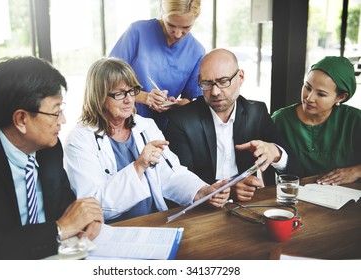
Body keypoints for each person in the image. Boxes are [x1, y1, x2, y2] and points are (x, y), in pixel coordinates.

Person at [64, 57, 230, 223]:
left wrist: (202, 191)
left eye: (132, 91)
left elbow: (172, 174)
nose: (129, 100)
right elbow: (94, 205)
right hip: (113, 229)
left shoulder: (146, 126)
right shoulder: (80, 140)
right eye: (120, 93)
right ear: (98, 96)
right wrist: (138, 167)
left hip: (154, 221)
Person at [0, 56, 103, 260]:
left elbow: (63, 202)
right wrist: (61, 228)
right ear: (21, 119)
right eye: (56, 112)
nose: (63, 120)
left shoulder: (49, 148)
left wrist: (85, 218)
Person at [165, 48, 304, 201]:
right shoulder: (182, 120)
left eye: (223, 81)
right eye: (207, 83)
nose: (215, 92)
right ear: (199, 81)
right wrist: (228, 189)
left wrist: (276, 153)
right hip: (202, 210)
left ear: (240, 77)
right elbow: (180, 181)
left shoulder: (256, 112)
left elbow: (296, 171)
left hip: (249, 205)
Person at [109, 0, 205, 131]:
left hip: (161, 128)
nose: (177, 34)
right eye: (171, 25)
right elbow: (108, 79)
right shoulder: (137, 32)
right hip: (122, 121)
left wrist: (174, 104)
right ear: (163, 12)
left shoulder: (197, 51)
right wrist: (145, 97)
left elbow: (188, 98)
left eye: (186, 28)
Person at [272, 56, 361, 185]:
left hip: (348, 199)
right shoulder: (280, 120)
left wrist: (356, 171)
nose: (309, 98)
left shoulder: (354, 121)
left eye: (321, 94)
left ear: (341, 97)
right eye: (307, 87)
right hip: (295, 198)